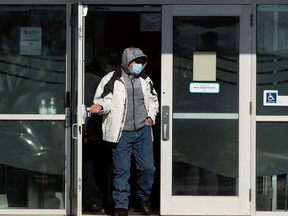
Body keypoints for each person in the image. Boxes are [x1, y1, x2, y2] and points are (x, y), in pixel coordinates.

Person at [89, 47, 159, 216]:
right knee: (121, 170)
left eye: (142, 62)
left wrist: (151, 116)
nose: (139, 66)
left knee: (148, 168)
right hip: (122, 133)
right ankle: (121, 205)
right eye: (136, 62)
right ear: (127, 61)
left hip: (143, 131)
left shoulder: (145, 78)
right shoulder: (111, 79)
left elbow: (153, 99)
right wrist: (99, 107)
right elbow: (104, 101)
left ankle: (144, 197)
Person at [82, 50, 119, 214]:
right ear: (102, 61)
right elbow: (89, 106)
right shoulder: (91, 76)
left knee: (108, 167)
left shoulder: (112, 76)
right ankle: (93, 201)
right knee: (93, 168)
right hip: (95, 130)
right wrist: (89, 131)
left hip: (109, 129)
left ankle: (107, 201)